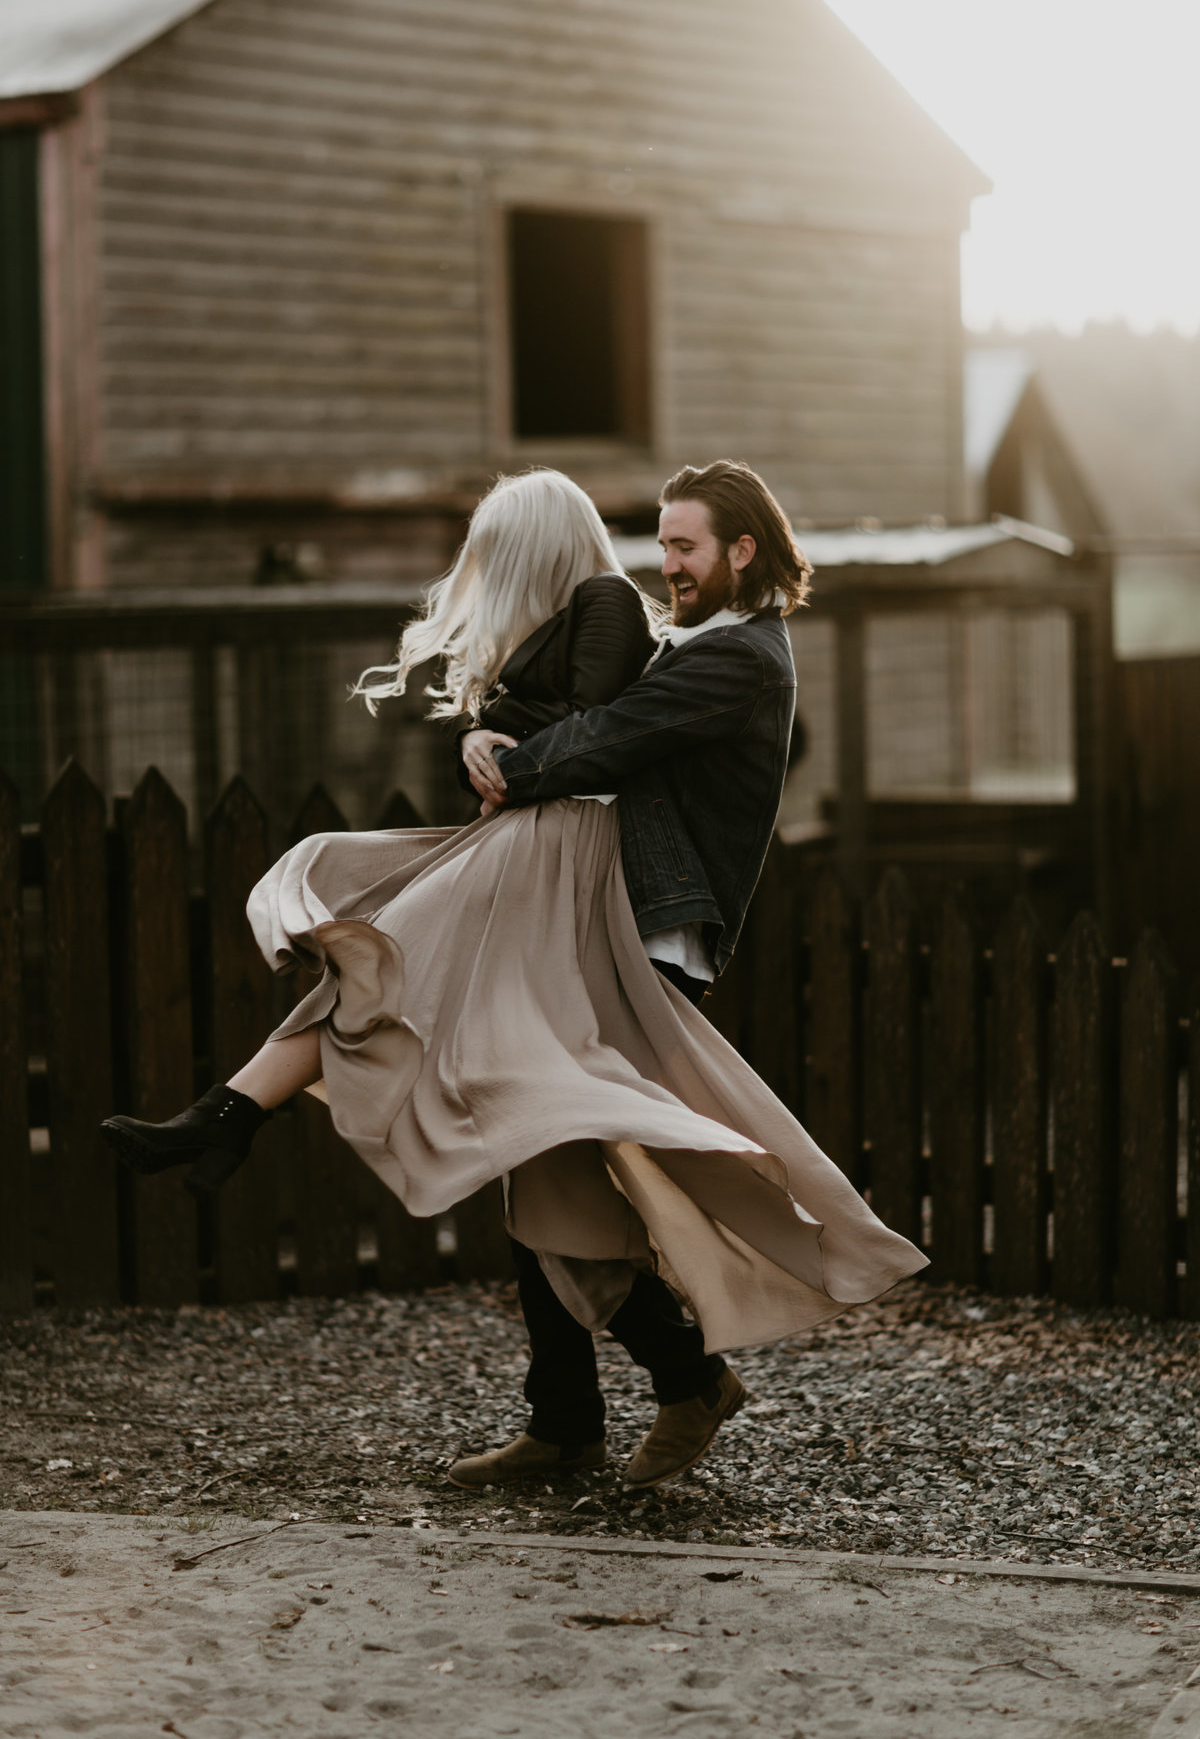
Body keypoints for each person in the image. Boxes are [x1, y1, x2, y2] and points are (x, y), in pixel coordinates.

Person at [101, 463, 926, 1495]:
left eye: (684, 548)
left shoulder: (743, 659)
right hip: (589, 920)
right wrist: (488, 746)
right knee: (531, 1152)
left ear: (741, 551)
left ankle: (676, 1379)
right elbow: (585, 728)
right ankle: (579, 1414)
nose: (664, 565)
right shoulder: (700, 643)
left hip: (638, 937)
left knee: (532, 1139)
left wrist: (504, 757)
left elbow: (606, 737)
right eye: (661, 545)